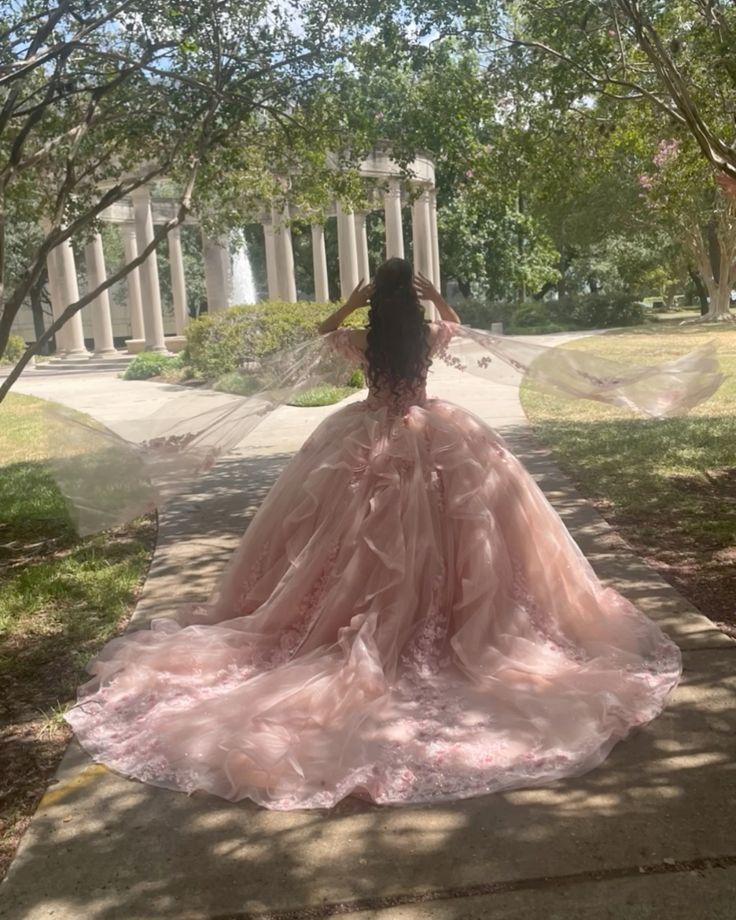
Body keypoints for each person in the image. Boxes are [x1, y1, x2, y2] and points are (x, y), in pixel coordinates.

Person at [65, 258, 683, 809]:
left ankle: (349, 624)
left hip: (366, 433)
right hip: (433, 436)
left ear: (373, 304)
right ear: (411, 305)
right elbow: (455, 324)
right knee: (456, 542)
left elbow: (319, 335)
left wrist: (352, 302)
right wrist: (437, 295)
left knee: (346, 547)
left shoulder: (364, 339)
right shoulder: (424, 335)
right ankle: (443, 625)